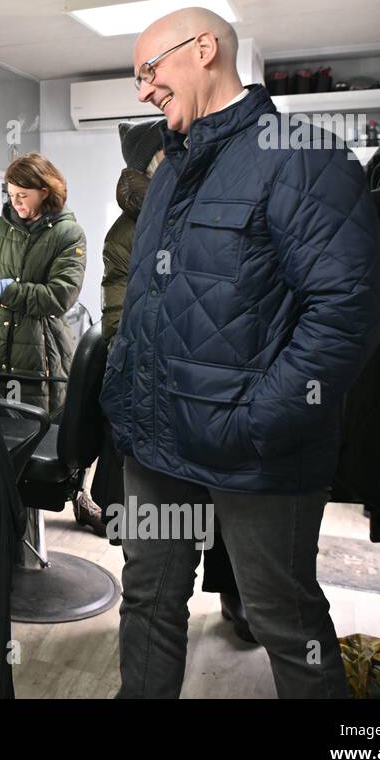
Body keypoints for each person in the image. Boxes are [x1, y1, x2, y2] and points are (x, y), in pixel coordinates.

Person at [100, 7, 380, 698]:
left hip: (259, 452)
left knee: (282, 619)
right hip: (158, 443)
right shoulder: (170, 171)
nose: (142, 90)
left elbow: (347, 310)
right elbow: (153, 302)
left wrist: (259, 420)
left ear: (204, 50)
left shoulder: (303, 156)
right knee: (147, 602)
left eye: (150, 70)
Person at [93, 119, 255, 643]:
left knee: (237, 533)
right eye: (167, 154)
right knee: (157, 574)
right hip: (159, 402)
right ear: (149, 165)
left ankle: (238, 601)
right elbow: (119, 320)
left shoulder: (214, 206)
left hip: (223, 400)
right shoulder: (130, 231)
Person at [0, 153, 85, 418]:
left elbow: (60, 296)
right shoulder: (0, 226)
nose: (15, 201)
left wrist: (5, 291)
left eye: (23, 194)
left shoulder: (68, 234)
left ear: (44, 191)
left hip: (37, 352)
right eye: (10, 194)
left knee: (32, 433)